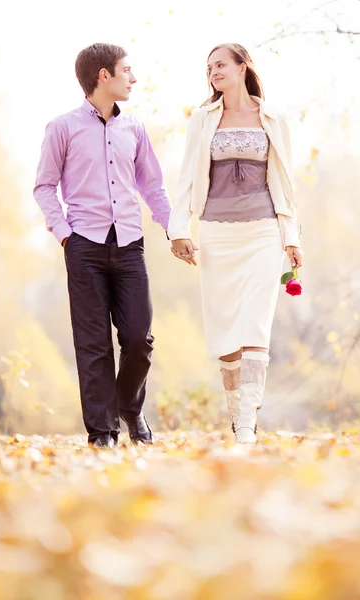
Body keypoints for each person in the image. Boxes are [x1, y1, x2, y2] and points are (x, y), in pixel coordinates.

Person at [34, 43, 171, 448]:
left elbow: (152, 185)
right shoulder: (62, 127)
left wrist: (173, 228)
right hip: (85, 246)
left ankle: (129, 406)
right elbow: (44, 186)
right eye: (127, 69)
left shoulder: (135, 128)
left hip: (130, 244)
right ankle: (103, 432)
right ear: (103, 76)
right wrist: (64, 234)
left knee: (138, 338)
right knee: (92, 343)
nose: (134, 77)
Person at [168, 43, 302, 443]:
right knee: (225, 331)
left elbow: (286, 183)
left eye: (221, 64)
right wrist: (179, 229)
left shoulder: (273, 118)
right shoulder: (203, 118)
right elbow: (186, 177)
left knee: (255, 325)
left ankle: (247, 423)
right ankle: (237, 413)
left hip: (263, 230)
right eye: (209, 67)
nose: (213, 72)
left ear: (244, 68)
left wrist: (292, 236)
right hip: (216, 231)